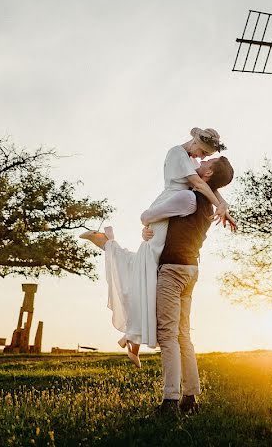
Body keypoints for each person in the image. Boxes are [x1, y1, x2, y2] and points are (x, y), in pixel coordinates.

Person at [81, 128, 235, 366]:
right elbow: (198, 183)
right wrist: (220, 205)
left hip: (170, 213)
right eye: (203, 151)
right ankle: (107, 244)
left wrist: (222, 204)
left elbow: (209, 185)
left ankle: (133, 339)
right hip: (168, 207)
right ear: (195, 140)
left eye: (207, 155)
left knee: (145, 277)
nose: (202, 157)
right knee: (142, 272)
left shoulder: (192, 162)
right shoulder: (177, 154)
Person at [144, 156, 234, 417]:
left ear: (207, 175)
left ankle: (170, 401)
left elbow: (148, 215)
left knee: (168, 335)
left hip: (173, 270)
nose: (203, 160)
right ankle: (190, 397)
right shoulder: (208, 201)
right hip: (190, 269)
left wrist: (146, 224)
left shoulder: (189, 198)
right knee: (183, 334)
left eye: (209, 161)